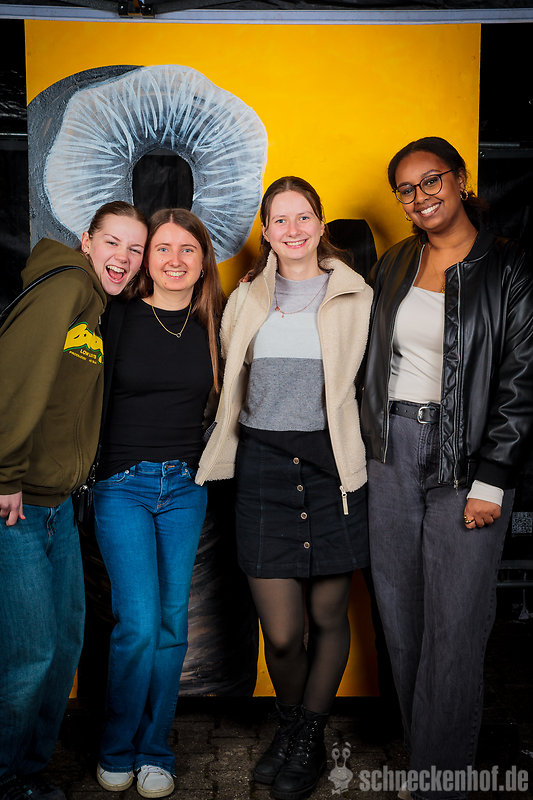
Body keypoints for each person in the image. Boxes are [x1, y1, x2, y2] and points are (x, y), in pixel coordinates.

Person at [361, 136, 533, 800]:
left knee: (454, 628)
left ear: (460, 179)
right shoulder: (395, 262)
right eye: (405, 189)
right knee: (401, 621)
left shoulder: (508, 267)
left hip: (467, 461)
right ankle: (428, 761)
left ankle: (438, 784)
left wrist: (493, 478)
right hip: (391, 450)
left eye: (431, 180)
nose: (420, 197)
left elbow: (520, 382)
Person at [197, 177, 372, 800]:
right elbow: (228, 382)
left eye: (304, 217)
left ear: (320, 224)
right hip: (262, 468)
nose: (293, 230)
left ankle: (305, 738)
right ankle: (295, 726)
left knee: (327, 615)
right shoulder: (247, 297)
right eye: (280, 220)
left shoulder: (357, 295)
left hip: (332, 469)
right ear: (265, 232)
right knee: (281, 632)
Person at [0, 202, 148, 800]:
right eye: (113, 242)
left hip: (57, 504)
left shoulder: (94, 303)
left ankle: (29, 770)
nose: (124, 257)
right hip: (17, 503)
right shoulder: (64, 287)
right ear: (86, 241)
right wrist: (5, 473)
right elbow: (14, 378)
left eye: (135, 249)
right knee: (29, 653)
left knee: (63, 647)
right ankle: (6, 778)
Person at [92, 208, 225, 798]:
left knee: (172, 626)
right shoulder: (116, 314)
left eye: (187, 249)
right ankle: (116, 747)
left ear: (203, 259)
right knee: (139, 625)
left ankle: (154, 750)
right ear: (145, 259)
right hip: (122, 485)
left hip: (186, 488)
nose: (174, 260)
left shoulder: (217, 321)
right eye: (162, 248)